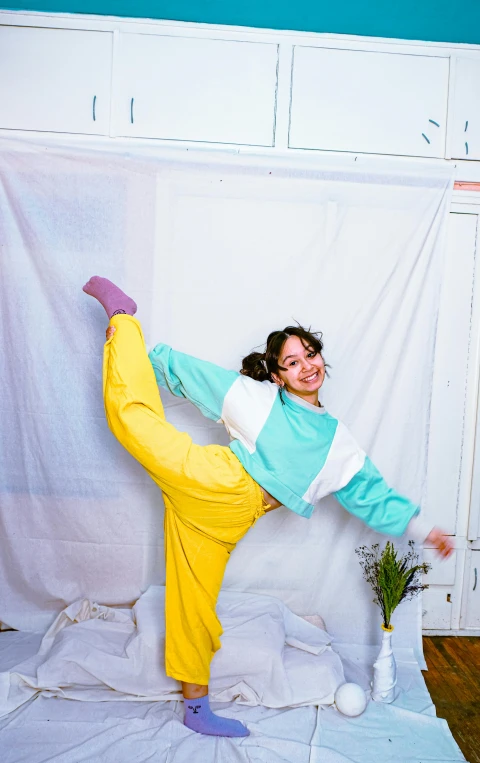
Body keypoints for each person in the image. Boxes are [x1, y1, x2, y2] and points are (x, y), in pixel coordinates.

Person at [83, 275, 453, 738]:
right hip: (217, 484)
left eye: (310, 356)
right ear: (277, 375)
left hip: (220, 527)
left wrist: (424, 529)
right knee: (134, 423)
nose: (305, 367)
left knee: (191, 606)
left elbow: (373, 496)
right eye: (291, 362)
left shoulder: (339, 442)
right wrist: (144, 359)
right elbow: (189, 372)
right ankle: (123, 320)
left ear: (321, 360)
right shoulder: (258, 401)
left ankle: (196, 710)